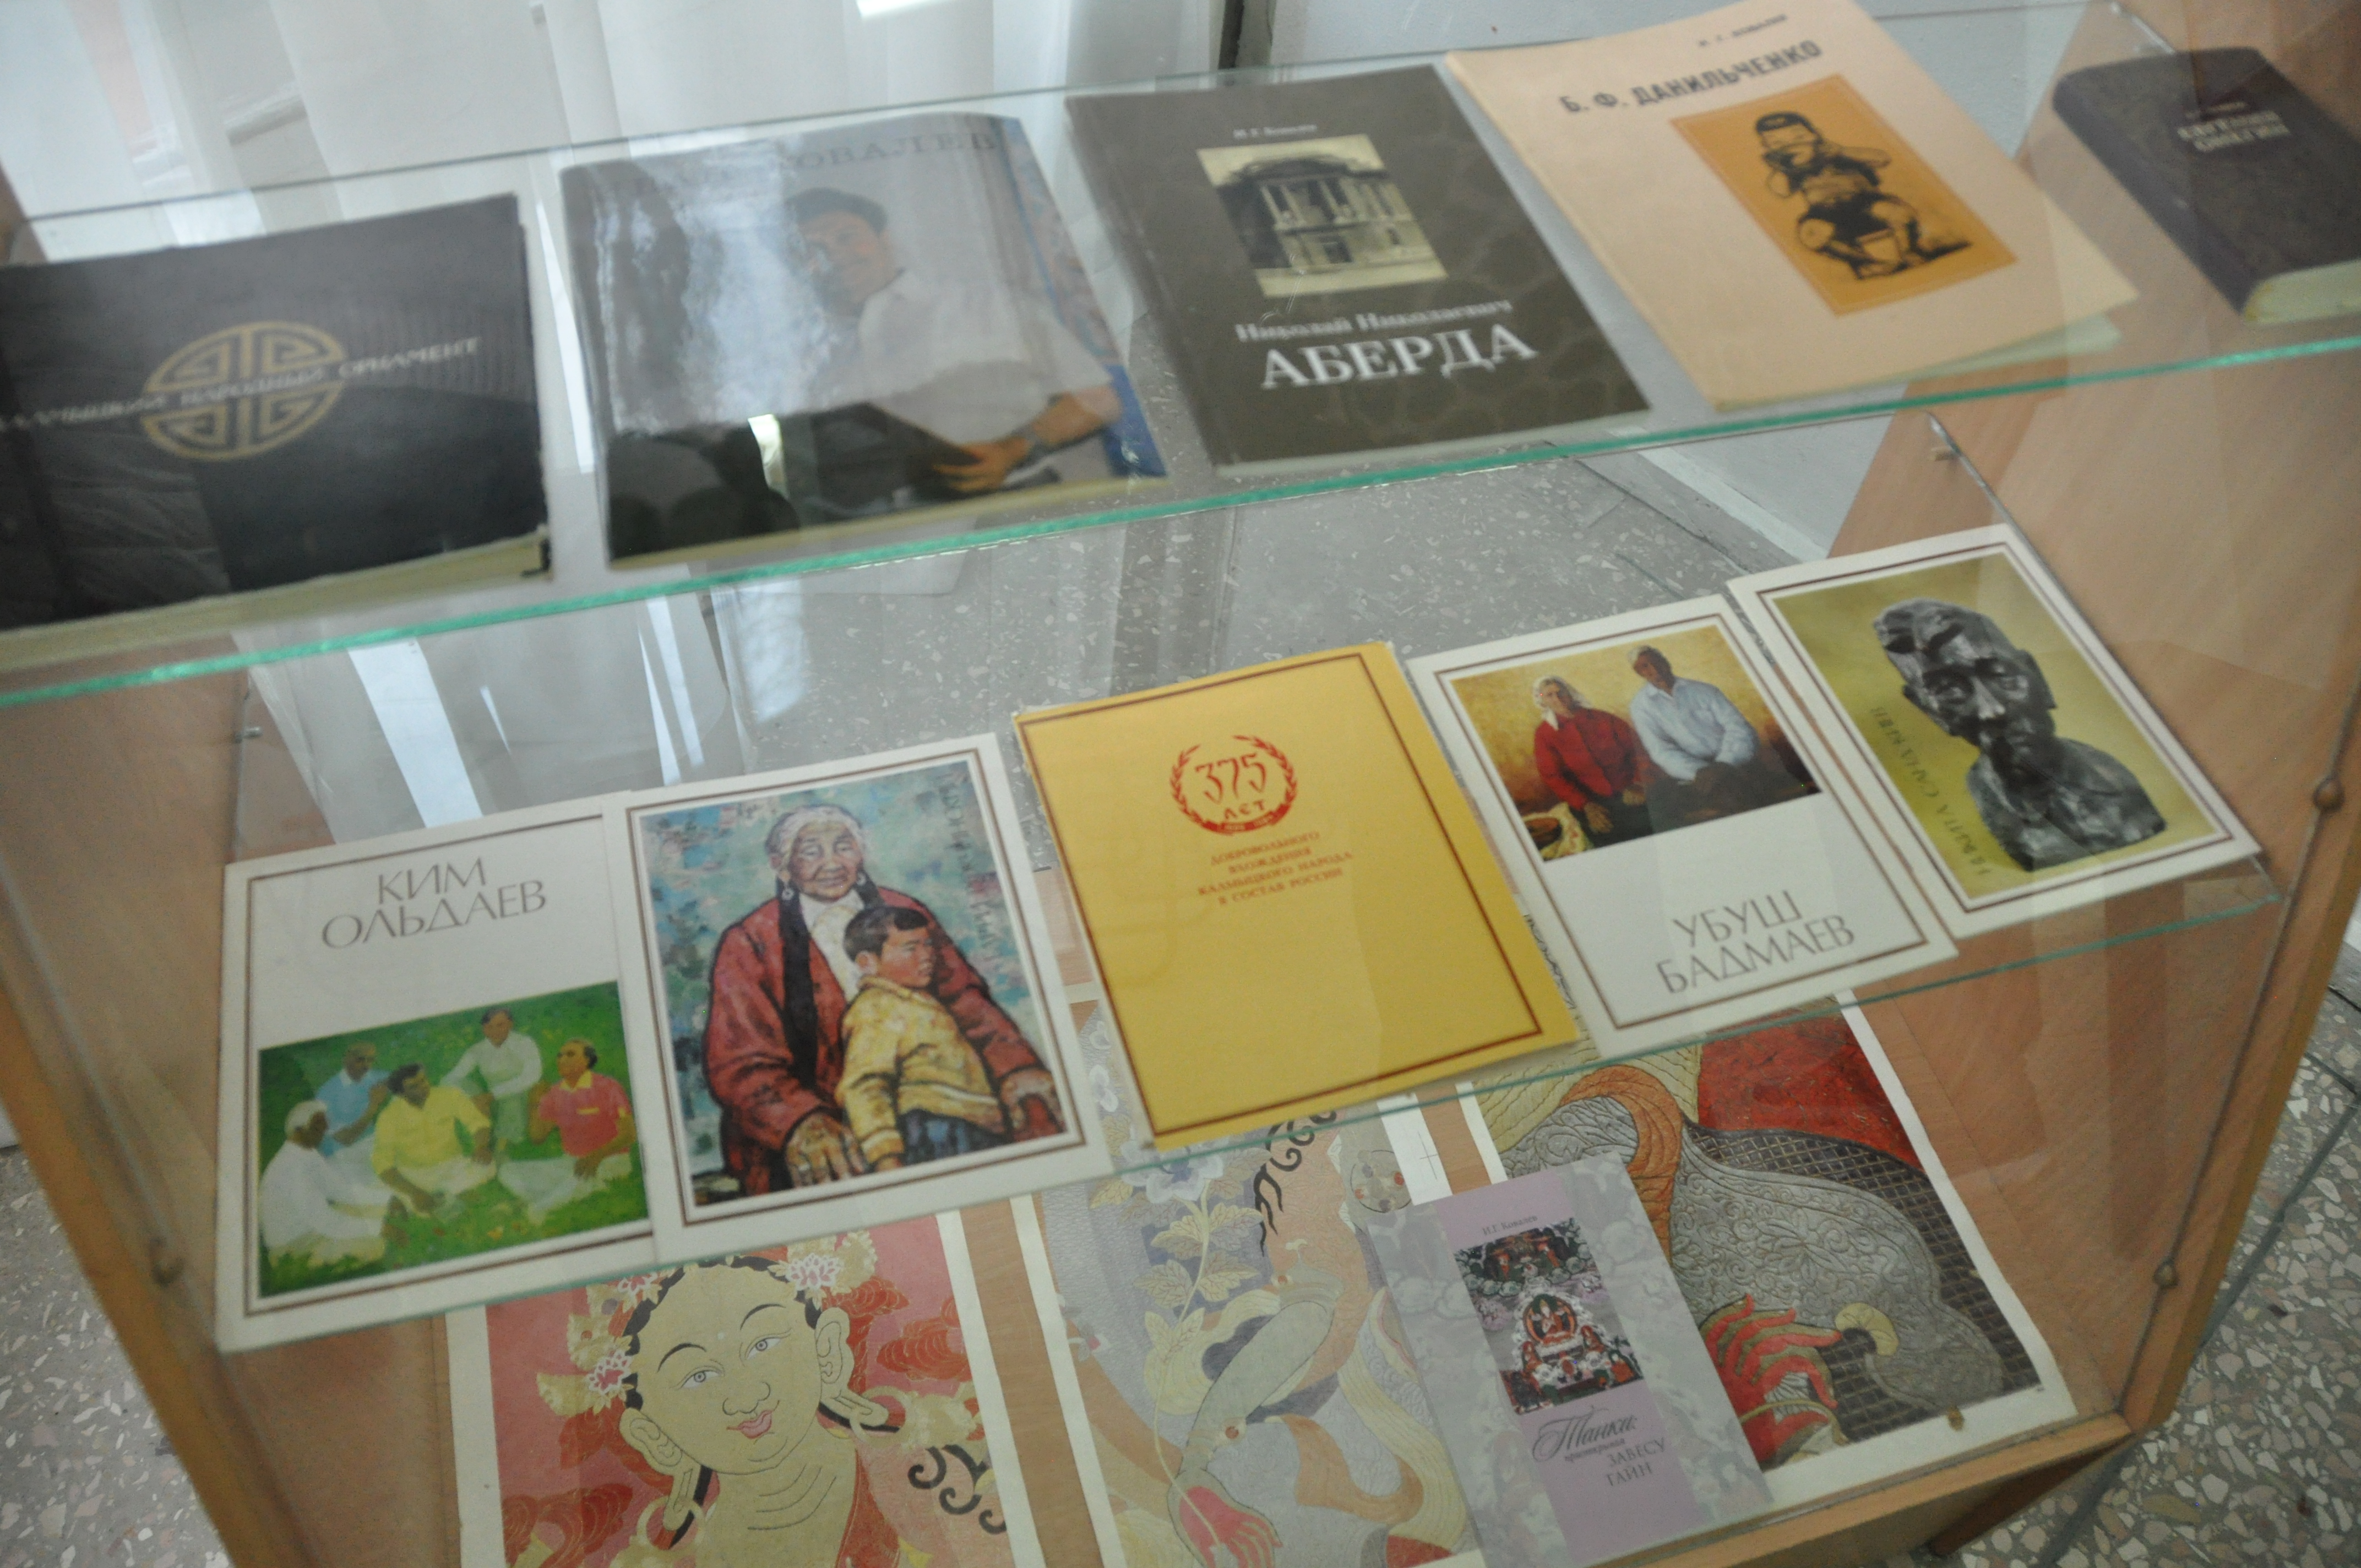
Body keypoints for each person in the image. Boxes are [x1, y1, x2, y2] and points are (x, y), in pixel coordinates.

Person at [703, 803, 1065, 1196]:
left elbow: (965, 1001)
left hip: (932, 1107)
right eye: (811, 852)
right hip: (825, 1120)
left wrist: (1015, 1066)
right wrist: (801, 1121)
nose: (832, 863)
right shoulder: (750, 941)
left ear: (861, 854)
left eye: (844, 847)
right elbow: (741, 1063)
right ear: (782, 866)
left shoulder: (906, 912)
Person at [789, 187, 1120, 498]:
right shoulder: (801, 353)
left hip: (1021, 502)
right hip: (878, 524)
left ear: (884, 239)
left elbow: (1097, 400)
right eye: (813, 249)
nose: (835, 255)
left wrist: (1012, 450)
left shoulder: (988, 306)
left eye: (847, 237)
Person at [616, 1257, 905, 1568]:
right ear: (653, 1435)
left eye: (763, 1345)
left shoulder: (916, 1475)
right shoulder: (676, 1561)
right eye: (699, 1376)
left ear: (826, 1348)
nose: (745, 1398)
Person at [1874, 597, 2165, 869]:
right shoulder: (1996, 806)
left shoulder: (2119, 786)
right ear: (1929, 710)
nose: (1993, 710)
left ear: (2037, 676)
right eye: (1950, 690)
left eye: (2000, 675)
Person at [836, 905, 1014, 1172]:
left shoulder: (920, 1002)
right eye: (910, 949)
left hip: (970, 1128)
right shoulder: (877, 1007)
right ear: (867, 963)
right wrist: (886, 1157)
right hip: (936, 1132)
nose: (927, 956)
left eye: (928, 945)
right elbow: (866, 1085)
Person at [1754, 111, 1961, 279]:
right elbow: (1780, 191)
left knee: (1898, 213)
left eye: (1799, 137)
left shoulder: (1836, 154)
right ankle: (1868, 262)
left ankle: (1909, 251)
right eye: (1777, 143)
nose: (1791, 145)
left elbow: (1882, 158)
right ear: (1767, 149)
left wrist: (1841, 152)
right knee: (1811, 234)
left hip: (1865, 203)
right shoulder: (1788, 170)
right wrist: (1785, 168)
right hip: (1825, 213)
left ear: (1816, 134)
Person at [1628, 645, 1785, 825]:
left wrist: (1724, 763)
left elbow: (1739, 728)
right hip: (1694, 774)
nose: (1654, 670)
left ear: (1666, 662)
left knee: (1745, 797)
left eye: (1657, 662)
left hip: (1735, 762)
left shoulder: (1704, 691)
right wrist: (1700, 771)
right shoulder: (1641, 707)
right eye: (1645, 667)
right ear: (1639, 673)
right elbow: (1660, 750)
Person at [501, 1039, 639, 1223]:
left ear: (587, 1060)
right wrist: (534, 1103)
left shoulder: (608, 1087)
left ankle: (539, 1208)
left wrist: (596, 1157)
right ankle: (557, 1196)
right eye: (560, 1055)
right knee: (508, 1171)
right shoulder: (556, 1092)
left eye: (571, 1055)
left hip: (610, 1160)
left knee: (578, 1177)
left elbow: (629, 1134)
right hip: (571, 1163)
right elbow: (537, 1137)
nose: (562, 1059)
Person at [259, 1102, 390, 1270]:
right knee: (375, 1245)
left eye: (324, 1126)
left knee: (373, 1209)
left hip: (312, 1230)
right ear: (300, 1130)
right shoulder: (291, 1166)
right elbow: (325, 1221)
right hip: (293, 1247)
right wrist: (379, 1228)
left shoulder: (307, 1152)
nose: (324, 1132)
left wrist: (389, 1199)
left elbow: (340, 1191)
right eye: (318, 1127)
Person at [1530, 675, 1652, 848]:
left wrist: (1638, 782)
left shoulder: (1604, 719)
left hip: (1631, 791)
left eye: (1560, 692)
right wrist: (1585, 805)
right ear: (1542, 700)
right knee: (1609, 838)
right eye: (1549, 695)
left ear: (1570, 693)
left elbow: (1639, 752)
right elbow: (1553, 776)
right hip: (1591, 801)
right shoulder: (1544, 735)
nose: (1558, 699)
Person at [370, 1064, 496, 1215]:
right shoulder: (389, 1116)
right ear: (401, 1094)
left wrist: (482, 1146)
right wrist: (414, 1192)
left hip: (452, 1165)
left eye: (423, 1080)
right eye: (414, 1087)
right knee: (379, 1186)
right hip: (414, 1174)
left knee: (487, 1166)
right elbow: (383, 1163)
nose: (423, 1087)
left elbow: (478, 1123)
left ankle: (440, 1197)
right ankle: (448, 1195)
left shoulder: (449, 1095)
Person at [441, 1006, 542, 1152]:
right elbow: (452, 1077)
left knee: (511, 1099)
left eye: (500, 1025)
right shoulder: (477, 1050)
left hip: (521, 1092)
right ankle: (482, 1142)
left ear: (510, 1024)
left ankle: (503, 1145)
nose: (495, 1031)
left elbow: (532, 1075)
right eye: (489, 1027)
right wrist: (470, 1099)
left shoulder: (524, 1043)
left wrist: (493, 1095)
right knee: (457, 1084)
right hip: (490, 1098)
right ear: (484, 1029)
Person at [315, 1041, 390, 1185]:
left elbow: (399, 1079)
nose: (366, 1066)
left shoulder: (371, 1077)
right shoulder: (328, 1094)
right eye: (360, 1060)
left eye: (370, 1060)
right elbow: (346, 1138)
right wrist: (374, 1106)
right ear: (346, 1059)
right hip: (343, 1155)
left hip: (371, 1143)